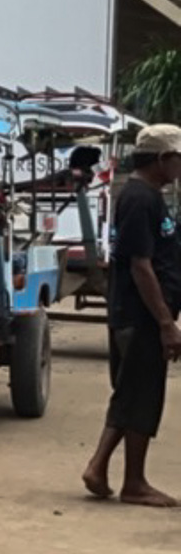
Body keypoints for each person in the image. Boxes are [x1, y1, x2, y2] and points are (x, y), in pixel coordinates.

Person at [82, 123, 181, 506]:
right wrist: (165, 322)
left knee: (133, 390)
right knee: (140, 393)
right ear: (162, 160)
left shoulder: (151, 197)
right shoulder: (141, 199)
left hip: (142, 313)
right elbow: (141, 265)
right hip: (139, 315)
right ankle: (131, 480)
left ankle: (102, 467)